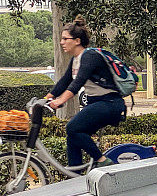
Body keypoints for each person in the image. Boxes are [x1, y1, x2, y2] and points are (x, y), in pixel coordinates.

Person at [45, 17, 126, 168]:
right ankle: (74, 175)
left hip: (110, 103)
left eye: (65, 39)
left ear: (76, 41)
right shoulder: (76, 59)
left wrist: (60, 101)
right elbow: (65, 81)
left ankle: (102, 161)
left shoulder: (89, 56)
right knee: (73, 135)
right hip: (97, 104)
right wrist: (47, 98)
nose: (61, 42)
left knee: (72, 127)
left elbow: (77, 83)